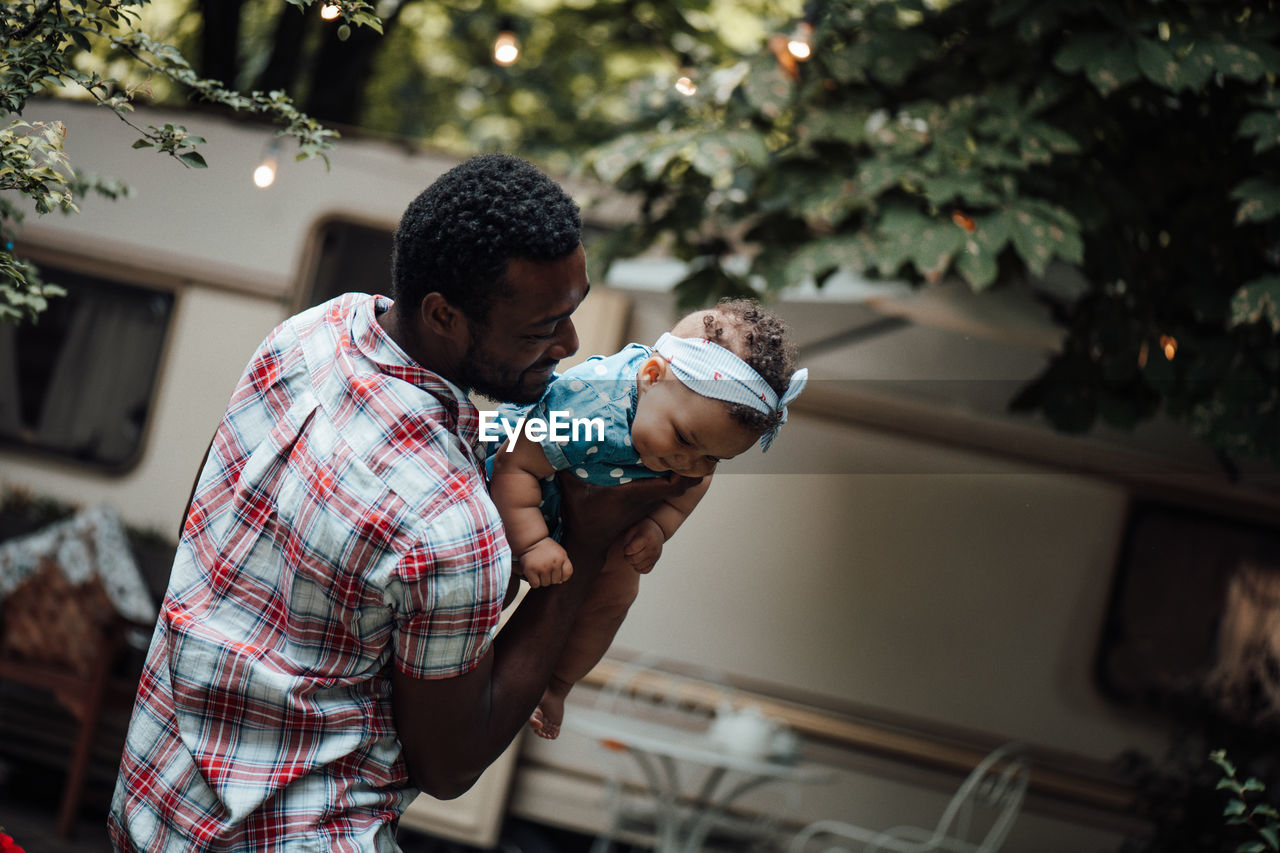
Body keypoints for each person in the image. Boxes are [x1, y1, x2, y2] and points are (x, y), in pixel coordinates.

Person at [107, 154, 696, 851]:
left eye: (574, 311)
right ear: (444, 314)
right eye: (542, 327)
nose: (569, 344)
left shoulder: (310, 334)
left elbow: (199, 531)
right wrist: (590, 545)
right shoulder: (451, 525)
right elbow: (450, 764)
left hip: (152, 803)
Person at [483, 298, 807, 739]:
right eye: (684, 439)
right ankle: (462, 668)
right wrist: (533, 543)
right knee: (491, 585)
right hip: (515, 500)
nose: (687, 461)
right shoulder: (589, 409)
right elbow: (513, 464)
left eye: (712, 457)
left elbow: (692, 487)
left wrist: (658, 527)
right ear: (651, 377)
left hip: (595, 512)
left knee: (616, 593)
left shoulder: (691, 441)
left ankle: (556, 685)